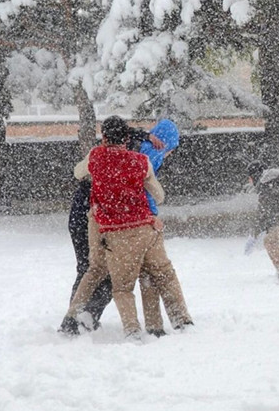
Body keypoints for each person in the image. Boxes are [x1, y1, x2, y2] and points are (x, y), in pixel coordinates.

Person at [60, 116, 192, 339]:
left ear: (104, 137)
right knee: (138, 276)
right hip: (117, 224)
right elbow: (157, 195)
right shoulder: (142, 159)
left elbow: (79, 172)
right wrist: (147, 215)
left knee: (95, 271)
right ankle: (155, 325)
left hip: (101, 221)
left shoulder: (97, 156)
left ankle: (75, 320)